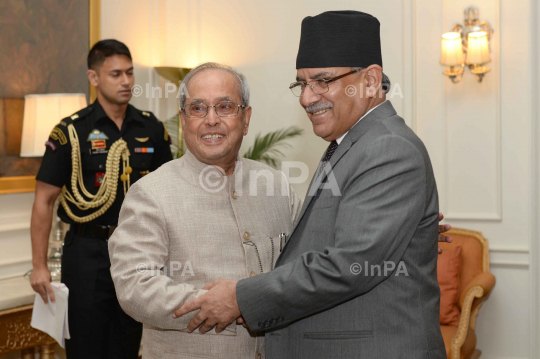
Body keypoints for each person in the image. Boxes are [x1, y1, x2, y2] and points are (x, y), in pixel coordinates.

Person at [174, 11, 448, 359]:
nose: (306, 98)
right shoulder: (352, 143)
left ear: (370, 80)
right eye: (302, 84)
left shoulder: (386, 147)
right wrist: (406, 231)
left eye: (322, 81)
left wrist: (239, 297)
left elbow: (349, 265)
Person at [108, 62, 302, 359]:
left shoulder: (276, 186)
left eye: (225, 107)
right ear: (184, 119)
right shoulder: (151, 193)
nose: (211, 120)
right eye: (198, 108)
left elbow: (304, 266)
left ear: (246, 118)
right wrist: (216, 302)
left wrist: (246, 300)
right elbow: (136, 286)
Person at [29, 39, 173, 358]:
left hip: (137, 251)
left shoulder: (151, 128)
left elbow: (169, 192)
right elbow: (44, 200)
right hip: (86, 252)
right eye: (116, 74)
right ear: (94, 78)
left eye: (130, 73)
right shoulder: (70, 132)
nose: (126, 82)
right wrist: (39, 265)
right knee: (85, 345)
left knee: (127, 342)